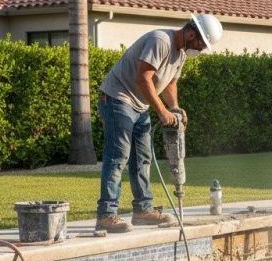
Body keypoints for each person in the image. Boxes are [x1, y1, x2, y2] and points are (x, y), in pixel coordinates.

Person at [95, 14, 223, 233]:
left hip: (139, 105)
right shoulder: (160, 41)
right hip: (117, 98)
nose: (200, 50)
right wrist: (162, 111)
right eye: (201, 45)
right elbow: (142, 77)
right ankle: (106, 214)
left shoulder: (180, 54)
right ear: (191, 33)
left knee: (142, 158)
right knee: (118, 156)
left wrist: (174, 108)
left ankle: (143, 210)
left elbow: (170, 82)